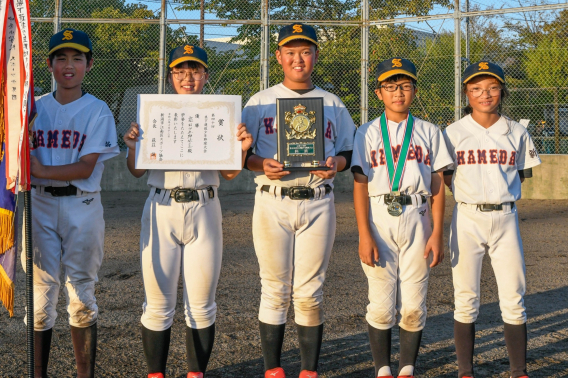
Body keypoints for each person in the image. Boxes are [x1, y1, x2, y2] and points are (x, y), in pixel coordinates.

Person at [123, 44, 252, 378]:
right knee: (157, 305)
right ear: (171, 76)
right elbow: (136, 171)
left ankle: (196, 374)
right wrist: (134, 147)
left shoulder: (221, 113)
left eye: (195, 71)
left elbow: (229, 174)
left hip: (204, 206)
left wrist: (242, 149)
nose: (187, 78)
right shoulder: (155, 113)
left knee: (202, 304)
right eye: (180, 71)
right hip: (161, 205)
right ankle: (156, 374)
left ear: (206, 75)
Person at [241, 23, 356, 378]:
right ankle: (273, 369)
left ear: (316, 56)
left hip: (318, 201)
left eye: (305, 51)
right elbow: (242, 156)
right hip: (272, 200)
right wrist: (262, 164)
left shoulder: (333, 103)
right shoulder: (259, 101)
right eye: (290, 51)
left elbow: (349, 153)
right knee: (274, 288)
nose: (298, 58)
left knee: (309, 290)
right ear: (278, 57)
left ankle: (309, 371)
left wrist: (334, 163)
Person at [25, 28, 120, 378]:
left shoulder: (98, 110)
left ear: (89, 64)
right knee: (39, 299)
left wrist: (39, 170)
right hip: (40, 205)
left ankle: (85, 375)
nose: (68, 65)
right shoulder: (32, 108)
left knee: (81, 296)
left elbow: (85, 167)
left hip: (83, 206)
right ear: (49, 64)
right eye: (61, 58)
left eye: (77, 58)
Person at [351, 58, 452, 378]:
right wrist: (363, 233)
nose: (398, 92)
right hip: (380, 215)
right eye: (390, 86)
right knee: (380, 303)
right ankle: (382, 368)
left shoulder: (429, 131)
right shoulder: (366, 132)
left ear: (414, 90)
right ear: (378, 93)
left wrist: (437, 231)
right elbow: (360, 184)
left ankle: (407, 367)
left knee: (413, 303)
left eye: (405, 85)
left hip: (418, 215)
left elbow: (437, 183)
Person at [443, 61, 541, 378]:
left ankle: (518, 370)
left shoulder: (517, 131)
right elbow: (445, 176)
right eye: (476, 89)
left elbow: (520, 175)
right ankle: (466, 371)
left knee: (514, 296)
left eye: (492, 87)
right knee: (465, 298)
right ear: (466, 93)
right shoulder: (453, 132)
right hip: (467, 217)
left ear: (502, 91)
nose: (485, 95)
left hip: (506, 217)